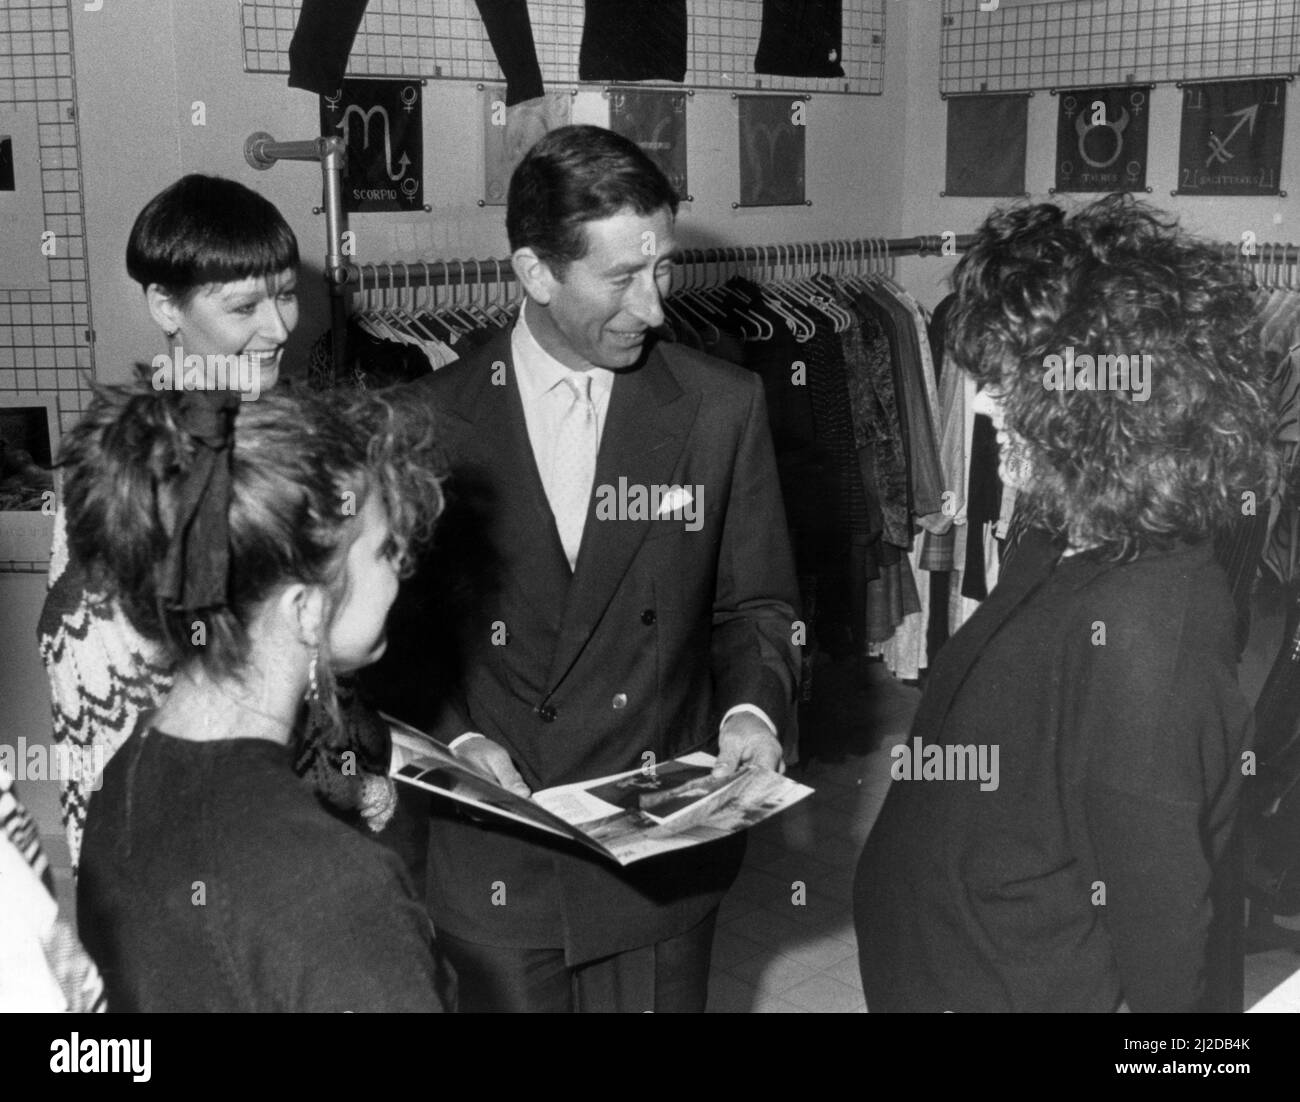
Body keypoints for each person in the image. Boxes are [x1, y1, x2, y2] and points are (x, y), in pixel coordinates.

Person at [377, 124, 801, 1012]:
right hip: (497, 856)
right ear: (535, 274)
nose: (652, 308)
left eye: (663, 271)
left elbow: (757, 603)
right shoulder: (425, 420)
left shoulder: (720, 407)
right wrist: (455, 736)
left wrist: (755, 709)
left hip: (660, 858)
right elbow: (397, 630)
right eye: (620, 280)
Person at [853, 195, 1279, 1013]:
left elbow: (1163, 933)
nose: (980, 406)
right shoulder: (1065, 527)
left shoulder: (1150, 630)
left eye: (1005, 385)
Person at [38, 175, 394, 870]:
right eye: (244, 306)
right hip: (200, 854)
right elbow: (104, 748)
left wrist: (358, 771)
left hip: (308, 833)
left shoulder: (288, 436)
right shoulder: (131, 475)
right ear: (165, 305)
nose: (281, 327)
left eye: (286, 294)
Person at [68, 382, 447, 1012]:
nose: (399, 573)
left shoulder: (125, 777)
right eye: (385, 552)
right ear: (305, 611)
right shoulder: (333, 884)